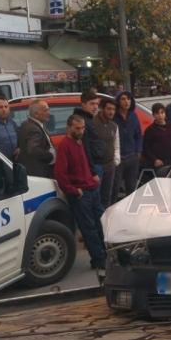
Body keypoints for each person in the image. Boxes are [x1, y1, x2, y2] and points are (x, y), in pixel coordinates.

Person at [54, 114, 105, 271]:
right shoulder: (64, 145)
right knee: (89, 228)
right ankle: (98, 259)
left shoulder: (79, 142)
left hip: (91, 189)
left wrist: (93, 178)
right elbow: (61, 174)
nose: (81, 131)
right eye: (77, 128)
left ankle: (104, 255)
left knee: (101, 223)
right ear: (69, 127)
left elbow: (85, 163)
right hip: (81, 194)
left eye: (83, 128)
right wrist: (74, 191)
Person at [16, 99, 55, 178]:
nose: (49, 113)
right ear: (36, 114)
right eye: (45, 110)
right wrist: (50, 156)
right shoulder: (33, 129)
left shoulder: (26, 124)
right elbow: (33, 150)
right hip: (39, 172)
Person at [114, 91, 143, 197]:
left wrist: (138, 151)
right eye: (123, 99)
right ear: (118, 101)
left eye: (129, 99)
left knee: (131, 188)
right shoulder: (114, 117)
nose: (126, 101)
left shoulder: (133, 116)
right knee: (115, 188)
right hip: (118, 159)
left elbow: (138, 135)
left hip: (132, 157)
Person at [93, 97, 121, 208]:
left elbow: (116, 144)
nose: (111, 112)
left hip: (110, 165)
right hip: (97, 166)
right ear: (102, 109)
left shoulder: (114, 126)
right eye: (109, 109)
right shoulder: (93, 123)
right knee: (96, 197)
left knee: (107, 196)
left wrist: (116, 160)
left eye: (113, 109)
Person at [143, 103, 171, 176]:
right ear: (153, 115)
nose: (160, 115)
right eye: (157, 113)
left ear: (165, 114)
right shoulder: (150, 130)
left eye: (162, 112)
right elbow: (146, 148)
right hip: (161, 164)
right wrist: (154, 159)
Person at [74, 90, 104, 177]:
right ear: (83, 104)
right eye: (92, 104)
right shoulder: (82, 122)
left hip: (96, 164)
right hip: (92, 167)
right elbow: (85, 148)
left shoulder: (89, 119)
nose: (95, 107)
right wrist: (93, 172)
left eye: (97, 104)